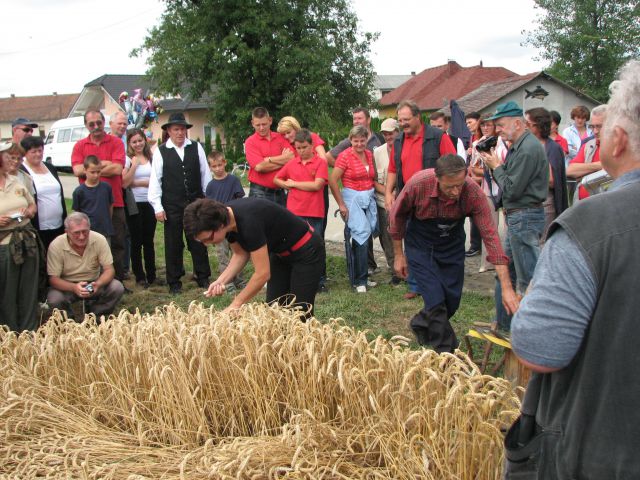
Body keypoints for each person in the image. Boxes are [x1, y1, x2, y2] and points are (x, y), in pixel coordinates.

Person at [507, 59, 640, 478]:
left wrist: (529, 303)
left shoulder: (591, 224)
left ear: (617, 141)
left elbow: (540, 350)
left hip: (602, 450)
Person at [389, 154, 518, 353]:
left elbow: (491, 237)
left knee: (451, 301)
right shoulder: (418, 184)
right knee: (435, 300)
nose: (456, 191)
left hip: (452, 245)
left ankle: (421, 323)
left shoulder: (473, 193)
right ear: (437, 178)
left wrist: (507, 287)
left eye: (459, 184)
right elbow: (397, 218)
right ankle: (448, 354)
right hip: (421, 245)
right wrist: (399, 255)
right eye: (450, 187)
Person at [184, 197, 325, 319]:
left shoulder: (249, 222)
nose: (206, 244)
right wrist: (220, 281)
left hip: (306, 250)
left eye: (208, 239)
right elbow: (240, 254)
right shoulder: (226, 219)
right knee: (274, 309)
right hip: (280, 253)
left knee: (300, 312)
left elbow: (262, 274)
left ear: (219, 225)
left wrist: (236, 304)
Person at [480, 101, 549, 331]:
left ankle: (529, 332)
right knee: (504, 273)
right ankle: (504, 324)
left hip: (525, 217)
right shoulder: (520, 145)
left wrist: (496, 166)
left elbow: (511, 189)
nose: (497, 130)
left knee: (527, 280)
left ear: (517, 123)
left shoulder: (528, 148)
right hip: (518, 216)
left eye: (500, 125)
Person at [385, 99, 457, 299]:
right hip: (409, 198)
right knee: (412, 241)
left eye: (406, 119)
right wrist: (389, 192)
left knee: (434, 240)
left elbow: (453, 165)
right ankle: (416, 285)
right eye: (400, 120)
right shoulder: (398, 141)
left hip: (434, 198)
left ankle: (437, 283)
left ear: (418, 117)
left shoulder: (438, 137)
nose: (403, 124)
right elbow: (392, 169)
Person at [148, 112, 212, 294]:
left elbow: (205, 175)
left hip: (195, 202)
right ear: (169, 131)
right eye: (176, 129)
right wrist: (158, 207)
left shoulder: (196, 147)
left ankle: (203, 276)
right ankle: (174, 281)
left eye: (183, 129)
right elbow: (155, 181)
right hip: (172, 205)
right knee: (173, 243)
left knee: (198, 239)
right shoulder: (161, 152)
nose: (180, 133)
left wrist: (207, 199)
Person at [71, 110, 127, 282]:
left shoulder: (116, 142)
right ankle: (92, 280)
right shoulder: (80, 146)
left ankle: (117, 281)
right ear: (86, 126)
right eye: (91, 124)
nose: (96, 127)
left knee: (117, 242)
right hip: (88, 206)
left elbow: (118, 169)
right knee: (88, 244)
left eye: (99, 123)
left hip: (114, 203)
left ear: (104, 122)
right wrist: (106, 164)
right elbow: (77, 170)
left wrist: (91, 168)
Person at [326, 107, 382, 276]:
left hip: (368, 198)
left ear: (367, 140)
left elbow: (371, 179)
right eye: (355, 141)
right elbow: (332, 180)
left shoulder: (369, 154)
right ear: (350, 140)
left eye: (362, 141)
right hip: (353, 199)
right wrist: (341, 204)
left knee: (366, 236)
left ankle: (364, 271)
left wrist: (387, 192)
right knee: (361, 235)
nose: (359, 144)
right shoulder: (345, 155)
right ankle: (359, 278)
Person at [274, 129, 329, 292]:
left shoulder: (320, 163)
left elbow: (317, 185)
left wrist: (294, 184)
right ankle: (295, 278)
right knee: (294, 246)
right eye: (298, 148)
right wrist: (285, 184)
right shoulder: (292, 163)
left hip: (314, 211)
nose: (301, 151)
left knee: (316, 246)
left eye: (304, 147)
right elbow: (276, 178)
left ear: (312, 145)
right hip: (294, 212)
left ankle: (319, 281)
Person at [47, 213, 125, 321]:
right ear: (67, 232)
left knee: (117, 287)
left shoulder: (99, 239)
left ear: (89, 228)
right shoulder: (56, 245)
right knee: (54, 299)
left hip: (92, 283)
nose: (82, 236)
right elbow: (53, 279)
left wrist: (98, 284)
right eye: (76, 233)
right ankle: (68, 321)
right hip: (68, 285)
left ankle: (95, 316)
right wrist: (74, 287)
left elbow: (109, 270)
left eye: (85, 231)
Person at [0, 141, 39, 332]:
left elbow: (32, 205)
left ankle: (28, 333)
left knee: (28, 290)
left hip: (26, 240)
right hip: (4, 244)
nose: (14, 161)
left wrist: (29, 211)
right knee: (8, 291)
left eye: (17, 158)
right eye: (9, 157)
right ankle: (9, 332)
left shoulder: (17, 181)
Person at [469, 114, 508, 273]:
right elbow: (474, 169)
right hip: (488, 188)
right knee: (489, 226)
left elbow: (506, 167)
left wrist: (494, 169)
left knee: (507, 227)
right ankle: (489, 261)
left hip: (504, 187)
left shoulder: (503, 143)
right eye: (483, 125)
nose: (485, 128)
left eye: (488, 125)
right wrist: (489, 171)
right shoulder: (477, 144)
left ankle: (506, 259)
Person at [204, 149, 246, 292]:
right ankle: (227, 282)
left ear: (225, 163)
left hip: (233, 223)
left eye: (220, 165)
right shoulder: (210, 186)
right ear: (210, 167)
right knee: (222, 254)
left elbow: (240, 199)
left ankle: (239, 279)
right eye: (214, 166)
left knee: (238, 251)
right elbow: (209, 205)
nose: (218, 169)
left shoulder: (234, 180)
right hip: (219, 225)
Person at [525, 107, 568, 235]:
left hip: (545, 205)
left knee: (542, 244)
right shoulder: (525, 144)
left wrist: (525, 177)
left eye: (527, 123)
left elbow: (552, 181)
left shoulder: (552, 148)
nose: (524, 127)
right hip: (526, 205)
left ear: (538, 126)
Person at [122, 128, 157, 287]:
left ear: (145, 140)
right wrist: (134, 166)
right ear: (129, 143)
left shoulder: (151, 157)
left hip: (150, 203)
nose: (138, 144)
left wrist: (141, 183)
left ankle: (152, 274)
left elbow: (156, 180)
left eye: (140, 140)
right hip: (135, 204)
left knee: (149, 240)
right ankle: (139, 276)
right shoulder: (129, 160)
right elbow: (125, 183)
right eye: (134, 141)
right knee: (136, 241)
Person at [20, 136, 67, 252]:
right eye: (33, 151)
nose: (38, 154)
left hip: (58, 224)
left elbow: (59, 195)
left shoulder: (50, 167)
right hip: (38, 227)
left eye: (40, 150)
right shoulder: (22, 171)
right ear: (25, 153)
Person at [244, 107, 293, 206]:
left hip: (280, 193)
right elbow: (260, 167)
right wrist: (283, 160)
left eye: (264, 124)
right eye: (258, 125)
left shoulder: (281, 137)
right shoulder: (250, 142)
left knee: (281, 222)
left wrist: (269, 160)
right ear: (252, 123)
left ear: (270, 120)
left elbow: (292, 158)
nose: (261, 128)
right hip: (259, 193)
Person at [373, 118, 401, 285]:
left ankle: (409, 269)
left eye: (391, 132)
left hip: (404, 199)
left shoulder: (405, 148)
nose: (388, 136)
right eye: (385, 133)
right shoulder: (378, 152)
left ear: (398, 132)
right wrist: (389, 193)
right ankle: (395, 271)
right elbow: (374, 180)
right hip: (383, 201)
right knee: (387, 237)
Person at [566, 105, 607, 203]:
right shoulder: (589, 145)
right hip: (583, 205)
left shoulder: (620, 147)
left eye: (599, 126)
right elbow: (570, 170)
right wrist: (600, 165)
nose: (595, 131)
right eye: (592, 127)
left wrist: (584, 170)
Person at [72, 156, 113, 241]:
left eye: (98, 172)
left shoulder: (106, 187)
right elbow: (77, 213)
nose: (96, 175)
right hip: (88, 232)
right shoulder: (79, 191)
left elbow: (110, 206)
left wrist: (108, 221)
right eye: (92, 172)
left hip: (105, 230)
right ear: (85, 170)